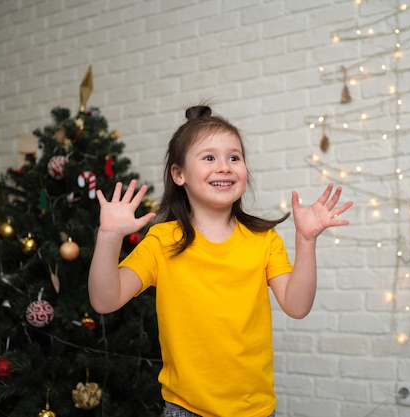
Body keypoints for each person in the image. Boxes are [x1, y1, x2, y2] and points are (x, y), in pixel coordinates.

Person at [88, 105, 353, 417]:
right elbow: (105, 301)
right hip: (186, 409)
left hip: (254, 409)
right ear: (179, 174)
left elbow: (297, 306)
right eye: (209, 157)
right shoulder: (162, 241)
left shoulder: (263, 239)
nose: (225, 167)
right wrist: (108, 237)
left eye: (234, 157)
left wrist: (306, 242)